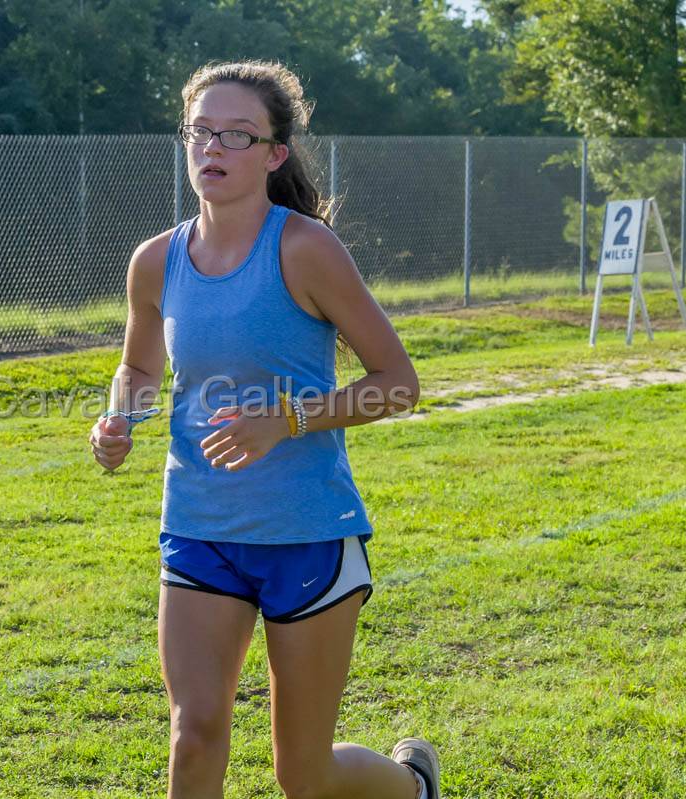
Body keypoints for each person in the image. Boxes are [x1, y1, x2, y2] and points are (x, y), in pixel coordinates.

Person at [88, 59, 437, 799]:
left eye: (237, 135)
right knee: (195, 729)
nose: (213, 148)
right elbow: (141, 370)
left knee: (304, 777)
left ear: (275, 153)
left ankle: (412, 787)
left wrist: (288, 420)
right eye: (200, 131)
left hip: (305, 530)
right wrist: (120, 417)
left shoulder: (305, 249)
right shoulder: (154, 261)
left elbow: (398, 385)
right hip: (200, 525)